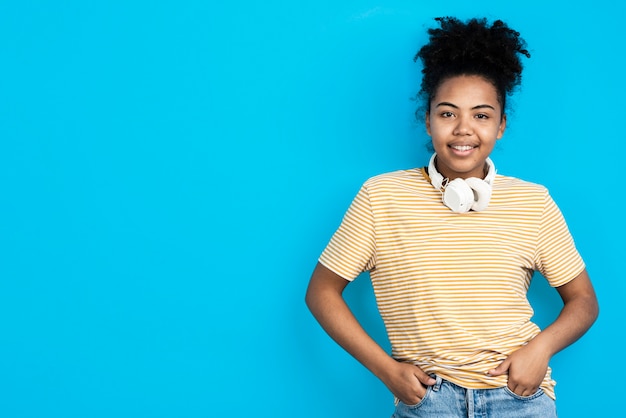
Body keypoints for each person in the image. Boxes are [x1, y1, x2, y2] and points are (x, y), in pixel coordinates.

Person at [305, 16, 598, 417]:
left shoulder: (534, 202)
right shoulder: (381, 196)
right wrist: (387, 371)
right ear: (428, 121)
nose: (464, 129)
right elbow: (321, 292)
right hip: (428, 400)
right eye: (448, 114)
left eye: (481, 115)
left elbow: (583, 301)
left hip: (519, 398)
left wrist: (541, 348)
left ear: (501, 126)